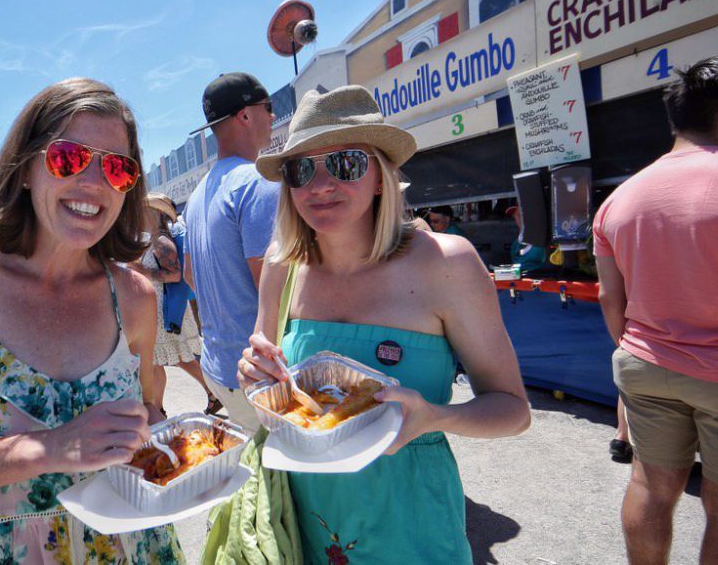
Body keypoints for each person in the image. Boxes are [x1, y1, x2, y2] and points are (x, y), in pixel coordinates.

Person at [0, 78, 183, 561]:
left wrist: (170, 444)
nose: (92, 183)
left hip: (135, 546)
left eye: (117, 168)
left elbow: (148, 412)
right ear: (26, 168)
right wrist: (56, 447)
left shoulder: (134, 295)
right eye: (68, 157)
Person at [238, 86, 530, 563]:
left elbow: (513, 409)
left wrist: (438, 417)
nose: (320, 184)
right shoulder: (281, 265)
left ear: (380, 177)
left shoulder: (446, 262)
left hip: (411, 522)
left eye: (345, 162)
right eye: (301, 169)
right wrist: (254, 372)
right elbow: (266, 376)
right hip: (306, 522)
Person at [594, 54, 718, 563]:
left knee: (651, 487)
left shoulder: (620, 198)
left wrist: (635, 348)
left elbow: (609, 297)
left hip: (646, 365)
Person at [183, 72, 279, 429]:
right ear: (244, 115)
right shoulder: (258, 182)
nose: (272, 116)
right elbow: (274, 287)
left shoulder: (195, 197)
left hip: (217, 366)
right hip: (258, 375)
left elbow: (190, 273)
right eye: (268, 107)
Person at [132, 193, 213, 413]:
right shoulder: (153, 238)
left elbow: (176, 274)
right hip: (159, 309)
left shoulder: (160, 239)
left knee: (163, 359)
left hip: (162, 310)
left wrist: (142, 271)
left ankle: (158, 409)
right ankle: (160, 407)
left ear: (156, 213)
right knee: (168, 358)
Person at [505, 205, 546, 274]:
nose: (521, 219)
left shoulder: (543, 240)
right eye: (517, 215)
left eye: (524, 215)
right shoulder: (516, 243)